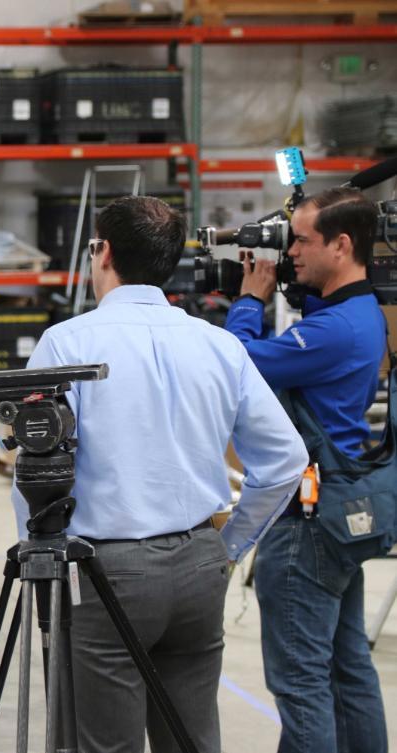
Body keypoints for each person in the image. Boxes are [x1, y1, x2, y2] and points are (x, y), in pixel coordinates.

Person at [10, 195, 307, 753]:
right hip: (199, 564)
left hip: (106, 571)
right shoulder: (218, 344)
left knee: (104, 743)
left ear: (103, 253)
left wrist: (39, 562)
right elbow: (286, 458)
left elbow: (36, 467)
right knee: (191, 739)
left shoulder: (69, 343)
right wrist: (230, 546)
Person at [225, 186, 388, 753]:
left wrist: (248, 301)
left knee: (301, 685)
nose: (289, 251)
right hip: (339, 513)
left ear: (341, 245)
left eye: (300, 239)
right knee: (348, 670)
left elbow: (235, 359)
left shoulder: (331, 331)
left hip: (306, 526)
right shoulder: (357, 314)